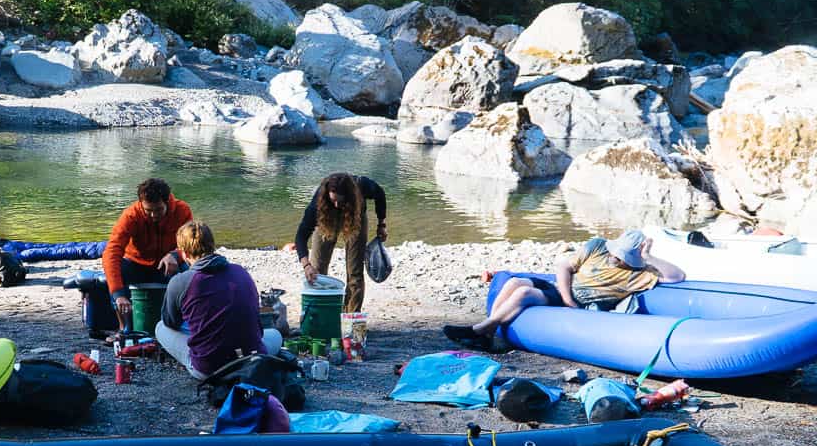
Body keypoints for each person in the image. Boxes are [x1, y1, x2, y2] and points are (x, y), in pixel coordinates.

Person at [444, 229, 686, 351]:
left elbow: (677, 277)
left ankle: (478, 331)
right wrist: (567, 297)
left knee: (524, 294)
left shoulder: (639, 274)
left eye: (621, 256)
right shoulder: (598, 246)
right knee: (513, 283)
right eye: (615, 252)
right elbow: (564, 266)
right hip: (563, 292)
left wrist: (649, 256)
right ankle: (488, 334)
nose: (614, 257)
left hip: (580, 303)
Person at [156, 221, 283, 379]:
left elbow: (170, 322)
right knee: (276, 334)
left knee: (160, 327)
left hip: (209, 369)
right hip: (251, 357)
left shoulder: (181, 281)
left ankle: (201, 360)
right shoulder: (240, 271)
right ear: (212, 246)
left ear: (184, 254)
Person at [103, 178, 193, 331]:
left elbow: (192, 245)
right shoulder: (131, 215)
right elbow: (112, 252)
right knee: (117, 271)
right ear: (141, 204)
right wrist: (118, 294)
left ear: (167, 202)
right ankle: (124, 328)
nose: (153, 215)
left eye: (158, 210)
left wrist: (176, 255)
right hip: (136, 265)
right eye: (148, 210)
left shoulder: (182, 210)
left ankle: (183, 323)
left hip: (166, 266)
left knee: (188, 272)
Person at [294, 172, 387, 313]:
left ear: (349, 197)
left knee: (355, 272)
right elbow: (301, 236)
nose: (337, 205)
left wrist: (381, 225)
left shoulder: (362, 185)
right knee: (316, 271)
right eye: (333, 201)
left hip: (355, 217)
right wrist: (306, 265)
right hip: (326, 218)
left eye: (341, 202)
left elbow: (380, 194)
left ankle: (350, 317)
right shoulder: (318, 202)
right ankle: (319, 314)